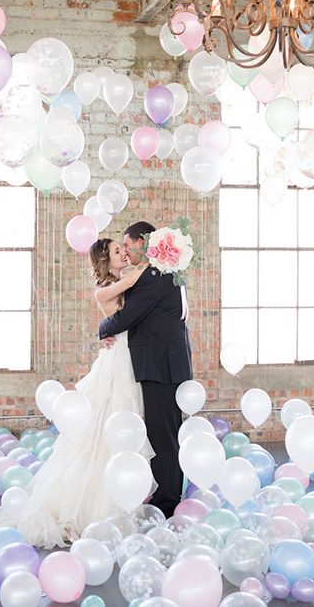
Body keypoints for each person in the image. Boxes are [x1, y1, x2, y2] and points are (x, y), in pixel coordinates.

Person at [0, 238, 151, 548]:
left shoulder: (122, 282)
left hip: (129, 358)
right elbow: (135, 283)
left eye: (124, 249)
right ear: (104, 261)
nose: (124, 253)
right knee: (102, 430)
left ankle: (127, 496)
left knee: (126, 425)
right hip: (117, 363)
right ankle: (94, 508)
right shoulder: (106, 290)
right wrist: (157, 257)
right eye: (117, 251)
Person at [99, 221, 193, 518]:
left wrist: (102, 329)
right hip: (164, 363)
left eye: (127, 245)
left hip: (160, 365)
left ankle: (167, 501)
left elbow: (128, 316)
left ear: (142, 242)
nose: (125, 251)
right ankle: (167, 491)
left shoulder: (155, 274)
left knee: (163, 435)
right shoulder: (165, 271)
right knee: (165, 432)